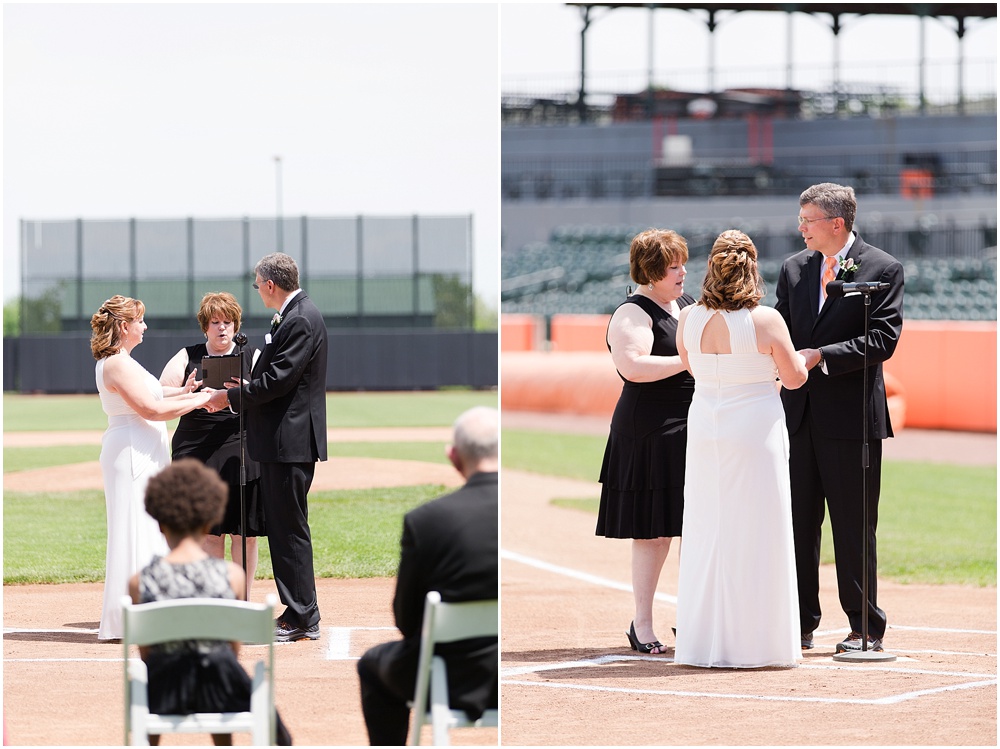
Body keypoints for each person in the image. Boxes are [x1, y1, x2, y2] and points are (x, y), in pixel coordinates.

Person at [776, 183, 904, 653]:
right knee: (797, 523)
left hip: (852, 423)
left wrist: (819, 355)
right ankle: (799, 623)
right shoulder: (793, 269)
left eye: (807, 219)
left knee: (853, 525)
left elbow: (883, 341)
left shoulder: (882, 268)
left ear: (836, 222)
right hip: (797, 418)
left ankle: (865, 628)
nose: (800, 227)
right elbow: (780, 331)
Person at [673, 230, 808, 668]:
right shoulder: (766, 320)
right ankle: (758, 642)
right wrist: (802, 359)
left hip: (707, 424)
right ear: (752, 268)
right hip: (753, 427)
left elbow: (692, 366)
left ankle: (705, 638)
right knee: (758, 526)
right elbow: (794, 379)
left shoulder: (687, 317)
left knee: (709, 525)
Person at [356, 406, 499, 746]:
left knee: (371, 665)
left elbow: (406, 620)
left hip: (445, 676)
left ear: (454, 458)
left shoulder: (427, 520)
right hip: (505, 678)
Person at [205, 252, 328, 643]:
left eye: (259, 284)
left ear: (271, 285)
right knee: (284, 528)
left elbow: (279, 380)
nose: (258, 291)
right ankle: (298, 610)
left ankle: (302, 616)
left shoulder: (301, 318)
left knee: (289, 530)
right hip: (281, 442)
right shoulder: (293, 315)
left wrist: (233, 399)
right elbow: (276, 378)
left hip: (288, 443)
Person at [128, 458, 292, 746]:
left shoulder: (140, 581)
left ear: (160, 523)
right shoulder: (232, 575)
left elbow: (147, 652)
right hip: (222, 685)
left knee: (153, 677)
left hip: (164, 689)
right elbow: (232, 647)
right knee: (222, 667)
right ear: (208, 521)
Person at [90, 295, 215, 641]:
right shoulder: (116, 363)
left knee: (148, 529)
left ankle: (148, 611)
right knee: (137, 528)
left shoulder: (123, 361)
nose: (144, 327)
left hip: (139, 449)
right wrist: (203, 400)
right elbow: (150, 409)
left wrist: (187, 391)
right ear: (123, 326)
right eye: (140, 321)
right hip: (131, 452)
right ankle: (134, 616)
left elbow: (156, 394)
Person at [595, 228, 695, 655]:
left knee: (695, 528)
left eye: (683, 264)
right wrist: (689, 360)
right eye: (674, 266)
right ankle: (644, 624)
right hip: (649, 430)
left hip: (692, 426)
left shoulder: (688, 304)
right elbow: (633, 367)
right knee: (654, 533)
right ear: (652, 270)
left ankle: (693, 618)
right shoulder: (631, 312)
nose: (683, 272)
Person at [159, 292, 264, 596]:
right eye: (215, 322)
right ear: (205, 327)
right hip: (197, 448)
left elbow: (268, 397)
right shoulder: (186, 355)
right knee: (210, 533)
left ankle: (241, 597)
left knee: (245, 535)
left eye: (227, 322)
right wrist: (191, 394)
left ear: (236, 325)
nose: (222, 328)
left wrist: (246, 392)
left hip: (241, 448)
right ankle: (217, 598)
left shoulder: (251, 356)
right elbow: (160, 393)